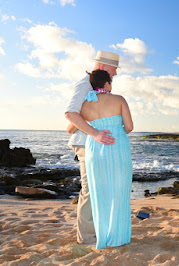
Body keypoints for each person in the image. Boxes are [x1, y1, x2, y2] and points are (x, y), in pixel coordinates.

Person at [69, 70, 133, 250]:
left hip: (94, 148)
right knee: (119, 191)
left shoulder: (83, 105)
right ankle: (118, 236)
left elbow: (70, 127)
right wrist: (116, 130)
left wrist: (95, 129)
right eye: (111, 81)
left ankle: (102, 236)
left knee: (99, 193)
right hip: (117, 146)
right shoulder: (119, 99)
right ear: (106, 84)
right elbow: (129, 126)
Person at [65, 51, 120, 245]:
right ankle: (86, 238)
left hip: (93, 143)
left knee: (99, 188)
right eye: (114, 69)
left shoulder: (95, 86)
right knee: (89, 190)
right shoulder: (84, 83)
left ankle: (97, 231)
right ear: (104, 66)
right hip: (86, 144)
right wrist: (95, 134)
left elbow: (74, 122)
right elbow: (70, 114)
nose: (116, 74)